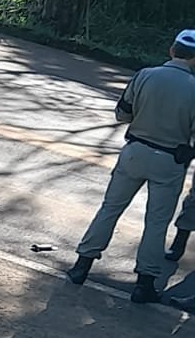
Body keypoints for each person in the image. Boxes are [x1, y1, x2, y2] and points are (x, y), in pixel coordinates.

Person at [68, 30, 195, 303]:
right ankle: (144, 284)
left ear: (172, 50)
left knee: (110, 209)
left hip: (134, 151)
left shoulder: (145, 74)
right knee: (156, 223)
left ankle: (82, 265)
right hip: (169, 159)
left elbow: (122, 113)